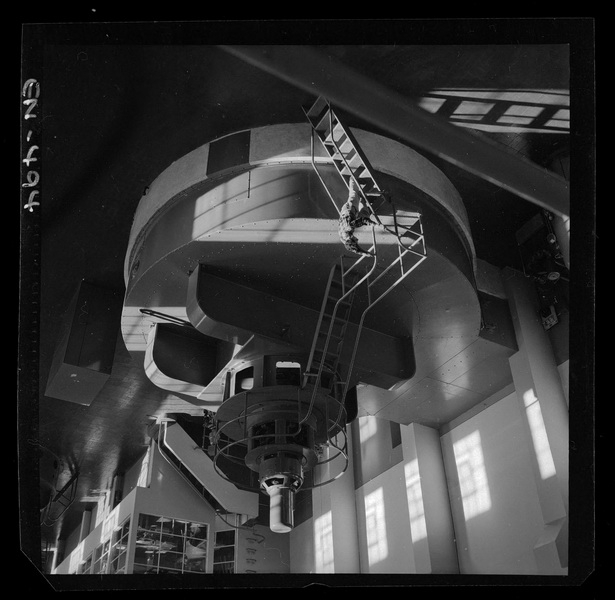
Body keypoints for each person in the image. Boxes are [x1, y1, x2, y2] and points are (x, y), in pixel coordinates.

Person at [338, 178, 376, 256]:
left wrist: (375, 224)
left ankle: (352, 179)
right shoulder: (344, 240)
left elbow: (362, 220)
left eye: (355, 240)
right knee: (365, 214)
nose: (357, 239)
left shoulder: (349, 228)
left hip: (349, 209)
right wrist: (366, 254)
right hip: (348, 217)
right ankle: (362, 201)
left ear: (351, 238)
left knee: (354, 194)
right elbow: (356, 250)